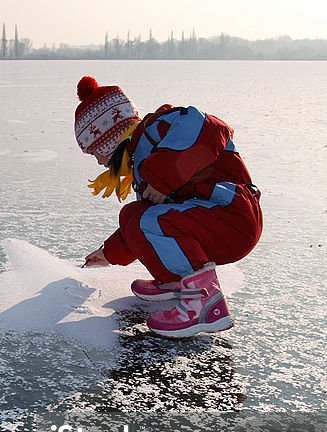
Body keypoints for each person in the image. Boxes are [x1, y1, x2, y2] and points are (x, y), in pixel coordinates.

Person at [75, 76, 263, 338]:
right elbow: (141, 224)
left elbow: (212, 128)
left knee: (151, 221)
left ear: (110, 139)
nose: (98, 162)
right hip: (207, 218)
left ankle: (204, 302)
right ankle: (177, 281)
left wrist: (164, 177)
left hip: (233, 218)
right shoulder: (142, 164)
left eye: (96, 153)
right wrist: (109, 252)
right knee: (134, 215)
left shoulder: (160, 128)